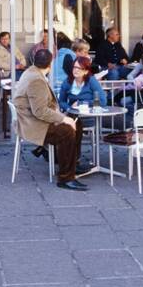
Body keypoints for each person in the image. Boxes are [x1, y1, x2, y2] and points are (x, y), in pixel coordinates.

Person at [13, 49, 87, 191]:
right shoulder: (36, 80)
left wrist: (63, 117)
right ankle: (66, 178)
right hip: (33, 125)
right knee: (67, 131)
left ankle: (73, 164)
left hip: (34, 119)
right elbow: (40, 111)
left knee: (76, 121)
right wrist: (62, 118)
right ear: (50, 64)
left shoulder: (31, 72)